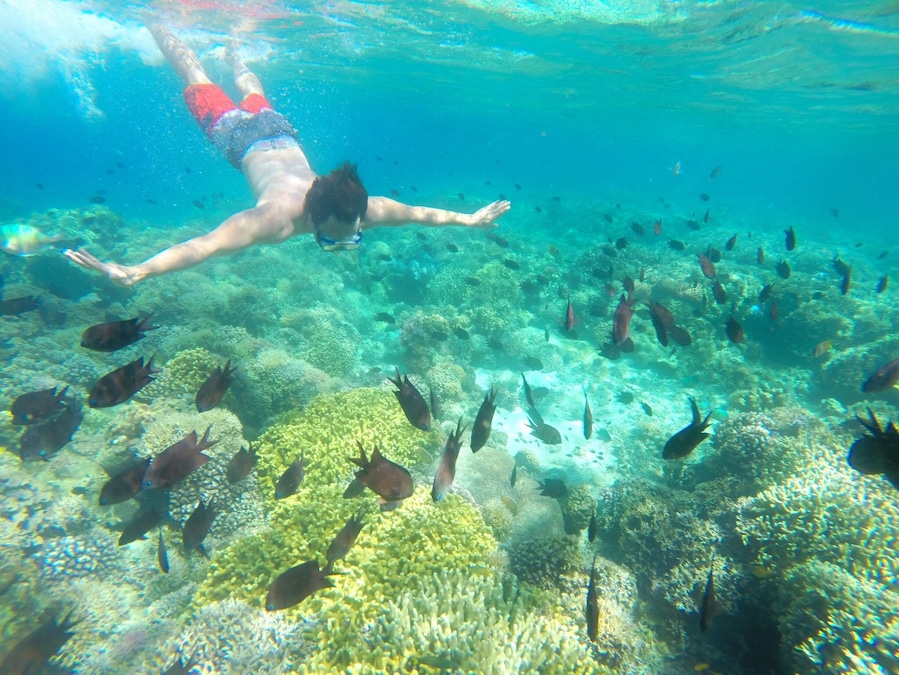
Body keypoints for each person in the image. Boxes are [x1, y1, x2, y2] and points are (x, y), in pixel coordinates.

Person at [64, 25, 511, 286]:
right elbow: (204, 247)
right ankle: (158, 19)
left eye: (349, 238)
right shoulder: (275, 219)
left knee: (250, 86)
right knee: (194, 73)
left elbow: (418, 213)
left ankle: (236, 47)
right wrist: (140, 270)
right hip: (237, 136)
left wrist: (470, 221)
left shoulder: (362, 210)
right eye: (333, 240)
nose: (341, 245)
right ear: (310, 218)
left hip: (277, 132)